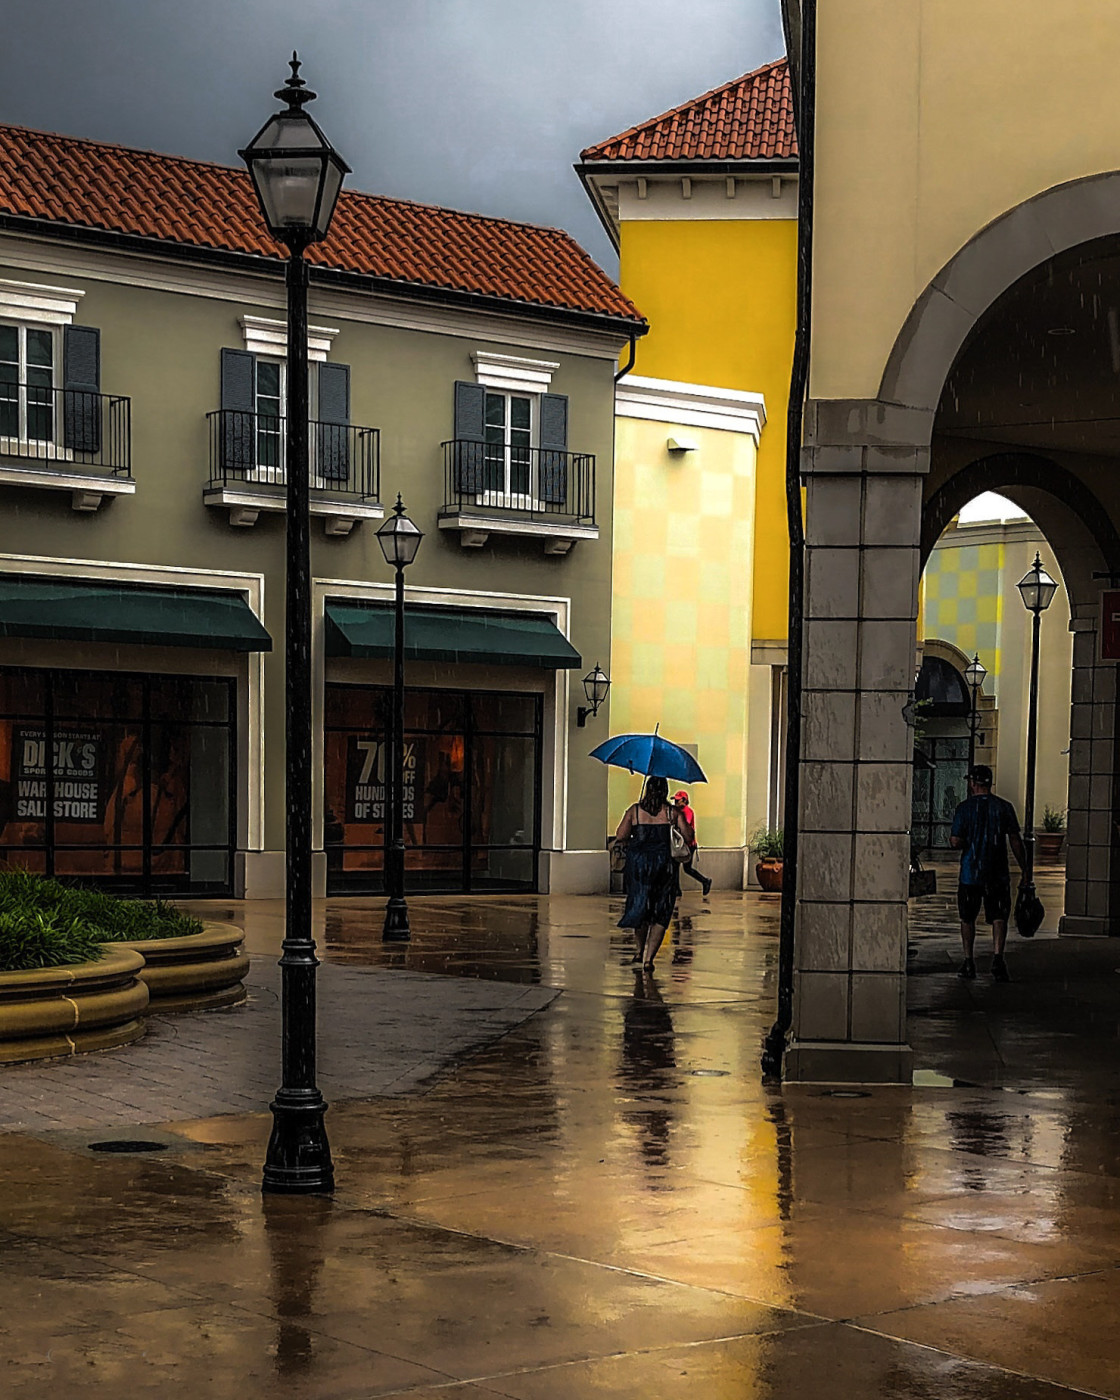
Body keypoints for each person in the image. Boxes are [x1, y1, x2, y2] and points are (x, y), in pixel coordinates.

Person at [949, 764, 1027, 983]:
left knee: (967, 917)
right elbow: (1015, 841)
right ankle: (998, 958)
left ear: (972, 783)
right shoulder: (1004, 807)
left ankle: (968, 961)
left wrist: (963, 842)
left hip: (970, 873)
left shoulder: (964, 809)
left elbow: (955, 840)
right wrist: (1025, 869)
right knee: (999, 916)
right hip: (997, 873)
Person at [615, 776, 691, 968]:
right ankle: (648, 959)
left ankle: (639, 950)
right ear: (665, 791)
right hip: (664, 866)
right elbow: (688, 836)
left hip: (639, 865)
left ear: (647, 790)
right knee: (661, 910)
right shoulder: (672, 813)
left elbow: (621, 835)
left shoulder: (635, 811)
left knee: (640, 905)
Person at [671, 790, 712, 898]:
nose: (675, 802)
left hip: (688, 845)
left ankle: (705, 881)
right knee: (675, 867)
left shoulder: (687, 811)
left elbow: (685, 825)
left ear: (684, 800)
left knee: (686, 868)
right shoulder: (678, 811)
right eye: (675, 800)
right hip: (681, 844)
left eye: (677, 800)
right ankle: (677, 890)